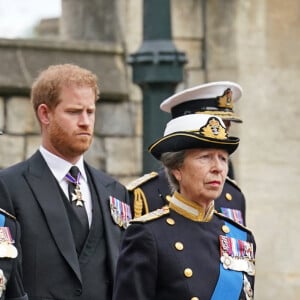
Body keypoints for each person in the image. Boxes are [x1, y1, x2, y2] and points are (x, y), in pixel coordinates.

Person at [0, 64, 131, 299]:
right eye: (74, 112)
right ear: (45, 114)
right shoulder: (8, 187)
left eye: (90, 112)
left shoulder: (115, 192)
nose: (85, 122)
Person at [113, 113, 256, 300]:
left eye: (222, 158)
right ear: (177, 169)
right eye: (205, 157)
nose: (218, 168)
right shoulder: (148, 234)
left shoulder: (241, 237)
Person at [127, 81, 246, 225]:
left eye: (225, 127)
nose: (220, 134)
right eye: (212, 126)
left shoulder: (233, 195)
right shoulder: (146, 194)